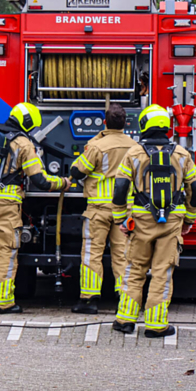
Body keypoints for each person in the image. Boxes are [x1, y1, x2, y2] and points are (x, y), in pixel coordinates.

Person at [0, 102, 68, 314]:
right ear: (27, 123)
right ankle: (2, 303)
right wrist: (63, 183)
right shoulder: (23, 144)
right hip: (6, 208)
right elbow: (40, 180)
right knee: (7, 255)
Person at [111, 104, 196, 338]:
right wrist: (189, 218)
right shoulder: (182, 155)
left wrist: (122, 218)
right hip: (171, 221)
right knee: (163, 271)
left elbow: (120, 188)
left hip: (140, 219)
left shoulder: (133, 153)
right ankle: (156, 325)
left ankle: (125, 319)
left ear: (145, 125)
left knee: (134, 267)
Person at [68, 103, 137, 314]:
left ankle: (88, 300)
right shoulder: (135, 146)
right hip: (124, 210)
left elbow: (77, 171)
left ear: (104, 122)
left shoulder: (97, 146)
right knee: (123, 254)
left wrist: (94, 141)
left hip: (98, 209)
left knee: (92, 253)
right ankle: (125, 298)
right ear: (125, 123)